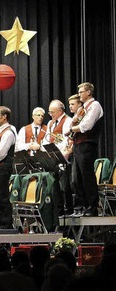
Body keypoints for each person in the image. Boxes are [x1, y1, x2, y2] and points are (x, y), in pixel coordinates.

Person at [70, 82, 103, 217]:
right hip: (78, 145)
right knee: (76, 178)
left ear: (89, 92)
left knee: (87, 176)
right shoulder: (82, 109)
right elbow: (73, 123)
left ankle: (92, 206)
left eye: (81, 92)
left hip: (88, 144)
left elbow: (86, 125)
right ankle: (81, 206)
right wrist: (74, 124)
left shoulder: (95, 106)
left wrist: (73, 128)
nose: (79, 95)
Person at [42, 100, 73, 217]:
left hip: (63, 156)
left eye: (53, 112)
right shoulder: (50, 123)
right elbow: (47, 138)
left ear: (60, 111)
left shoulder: (68, 121)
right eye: (49, 112)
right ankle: (58, 211)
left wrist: (59, 152)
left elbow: (66, 140)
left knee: (65, 186)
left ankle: (68, 209)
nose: (51, 115)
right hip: (52, 157)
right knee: (55, 187)